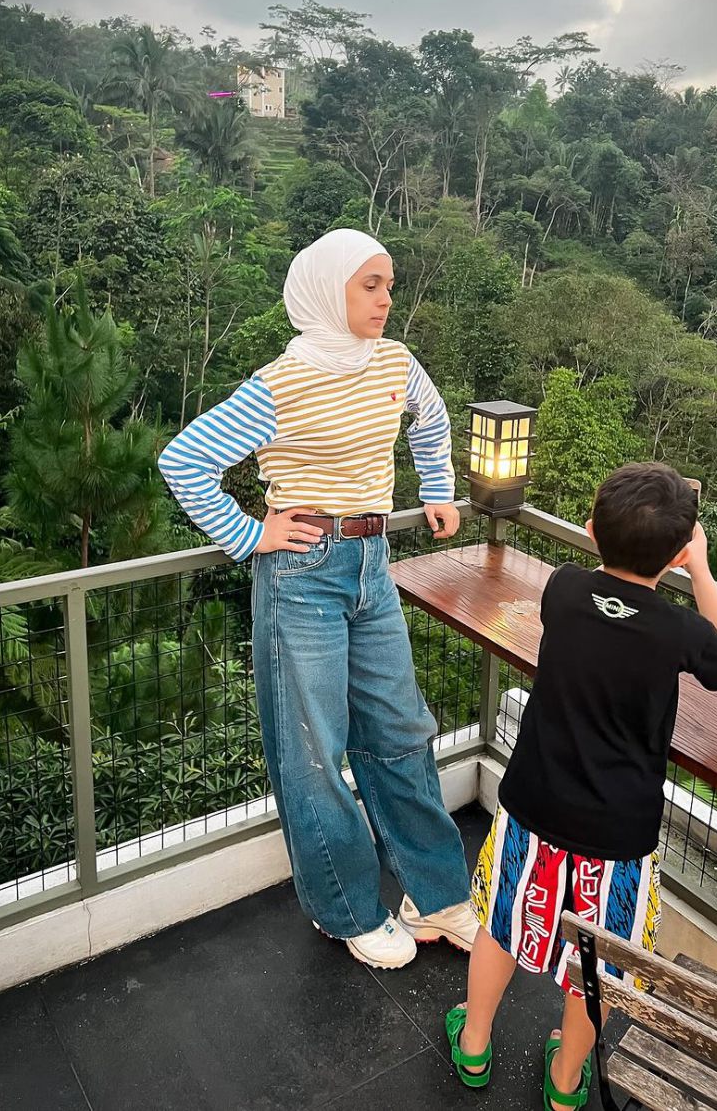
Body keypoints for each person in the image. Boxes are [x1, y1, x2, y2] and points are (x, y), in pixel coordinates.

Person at [159, 228, 478, 970]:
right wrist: (248, 535)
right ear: (328, 290)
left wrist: (437, 490)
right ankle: (347, 908)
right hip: (302, 572)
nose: (386, 298)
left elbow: (430, 419)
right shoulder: (282, 382)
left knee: (400, 730)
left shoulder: (396, 362)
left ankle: (436, 896)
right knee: (314, 752)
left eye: (389, 284)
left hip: (373, 560)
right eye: (370, 284)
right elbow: (185, 461)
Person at [445, 463, 717, 1107]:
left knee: (502, 926)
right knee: (597, 967)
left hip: (533, 806)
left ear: (589, 529)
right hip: (617, 834)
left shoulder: (563, 589)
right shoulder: (677, 630)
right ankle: (564, 1085)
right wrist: (699, 569)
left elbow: (600, 599)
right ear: (675, 550)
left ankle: (474, 1045)